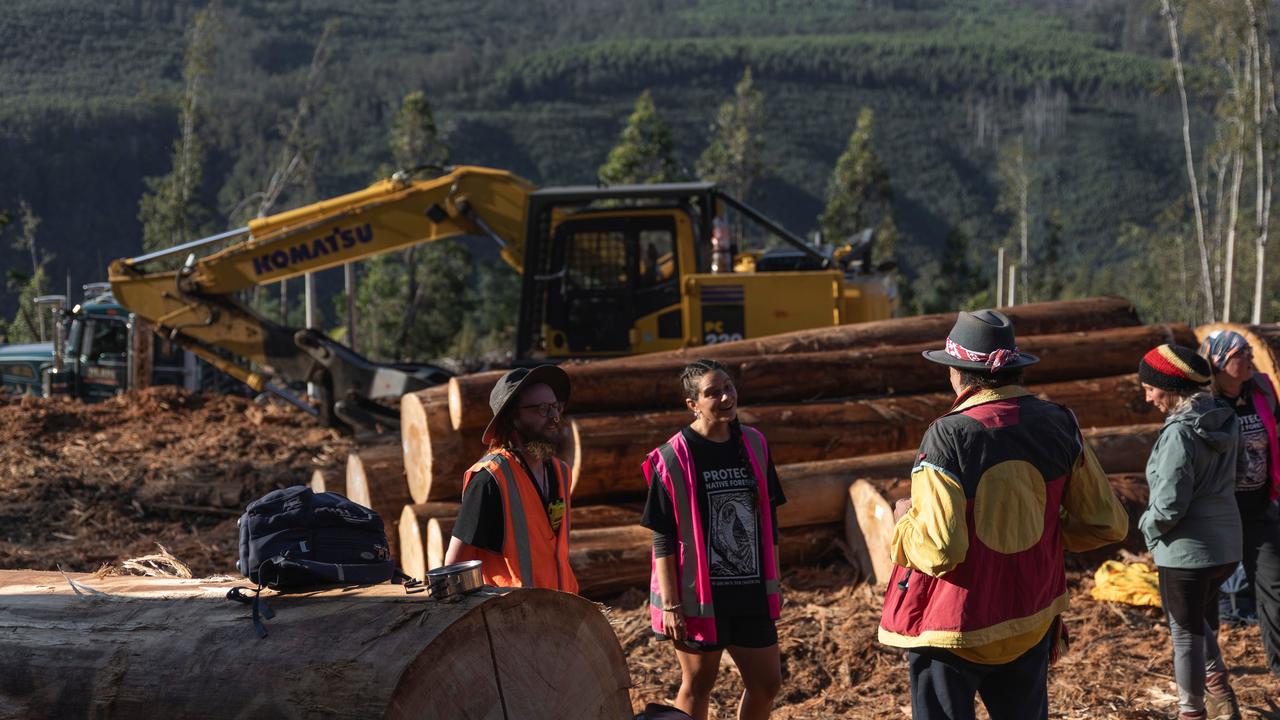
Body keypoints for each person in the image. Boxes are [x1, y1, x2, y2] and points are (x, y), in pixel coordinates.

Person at [878, 309, 1129, 720]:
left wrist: (903, 520)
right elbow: (1108, 522)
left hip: (954, 628)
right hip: (1030, 618)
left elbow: (942, 550)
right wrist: (1039, 526)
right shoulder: (1059, 423)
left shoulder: (950, 434)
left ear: (958, 374)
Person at [640, 359, 786, 720]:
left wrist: (775, 583)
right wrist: (672, 605)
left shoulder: (754, 443)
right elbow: (663, 537)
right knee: (699, 686)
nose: (725, 396)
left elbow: (771, 519)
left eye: (729, 387)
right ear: (692, 404)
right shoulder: (672, 456)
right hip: (697, 598)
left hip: (749, 592)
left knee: (767, 684)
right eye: (712, 392)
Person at [1139, 343, 1243, 720]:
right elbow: (1244, 473)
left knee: (1185, 634)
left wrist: (1146, 529)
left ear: (1172, 388)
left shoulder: (1178, 435)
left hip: (1186, 551)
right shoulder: (1226, 419)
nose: (1147, 396)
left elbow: (1168, 504)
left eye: (1150, 387)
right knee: (1196, 620)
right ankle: (1219, 693)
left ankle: (1191, 713)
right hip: (1227, 548)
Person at [444, 365, 578, 593]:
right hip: (513, 621)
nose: (555, 417)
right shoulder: (490, 480)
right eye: (543, 409)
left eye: (556, 407)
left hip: (561, 613)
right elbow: (454, 567)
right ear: (512, 418)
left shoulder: (560, 472)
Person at [1200, 332, 1280, 673]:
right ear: (1218, 364)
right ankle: (1207, 670)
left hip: (1262, 508)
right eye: (1241, 353)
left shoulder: (1261, 391)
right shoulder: (1205, 405)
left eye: (1249, 351)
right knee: (1206, 594)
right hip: (1220, 515)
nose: (1249, 357)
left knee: (1274, 588)